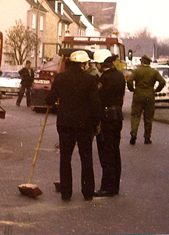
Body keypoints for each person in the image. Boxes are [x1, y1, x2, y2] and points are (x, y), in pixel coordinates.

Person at [46, 50, 102, 201]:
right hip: (84, 125)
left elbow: (50, 99)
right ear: (83, 64)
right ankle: (88, 192)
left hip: (65, 124)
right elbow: (96, 104)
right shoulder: (90, 80)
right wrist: (96, 123)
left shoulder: (60, 77)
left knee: (65, 159)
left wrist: (52, 98)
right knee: (86, 158)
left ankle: (66, 192)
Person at [93, 50, 126, 197]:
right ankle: (115, 186)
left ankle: (107, 187)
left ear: (101, 64)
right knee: (115, 152)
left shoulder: (104, 79)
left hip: (106, 118)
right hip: (117, 116)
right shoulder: (119, 75)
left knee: (105, 153)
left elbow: (100, 100)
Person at [127, 54, 166, 145]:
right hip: (150, 95)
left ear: (143, 61)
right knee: (148, 117)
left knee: (135, 115)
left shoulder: (137, 71)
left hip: (138, 95)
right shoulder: (154, 72)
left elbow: (129, 80)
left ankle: (134, 132)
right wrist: (157, 90)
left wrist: (132, 89)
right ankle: (147, 137)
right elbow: (162, 82)